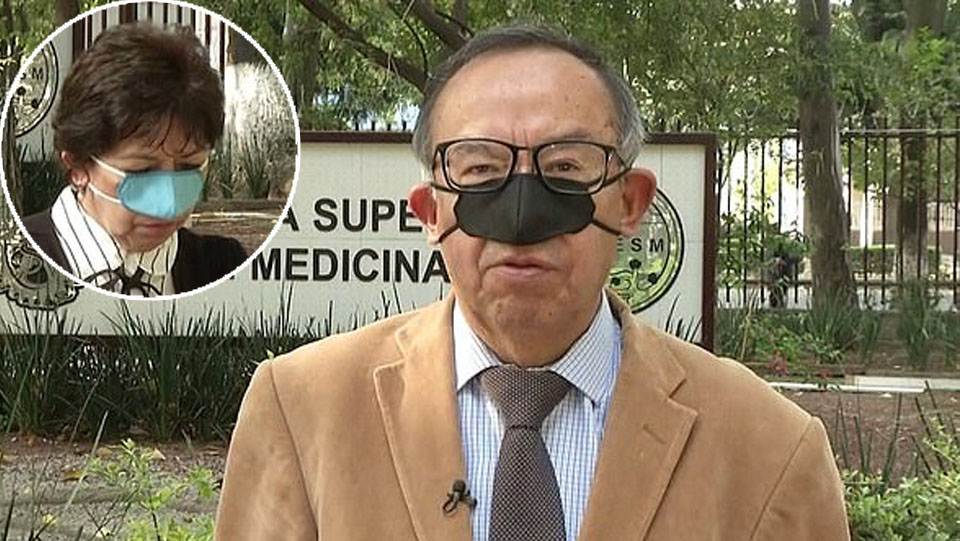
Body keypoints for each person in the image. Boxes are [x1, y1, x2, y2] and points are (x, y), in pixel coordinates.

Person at [216, 24, 849, 540]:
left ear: (631, 203)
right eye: (480, 168)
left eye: (567, 167)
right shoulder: (303, 411)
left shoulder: (769, 447)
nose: (521, 216)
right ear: (430, 212)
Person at [19, 22, 246, 297]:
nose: (168, 204)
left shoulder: (225, 267)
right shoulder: (12, 263)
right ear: (78, 165)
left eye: (188, 167)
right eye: (142, 171)